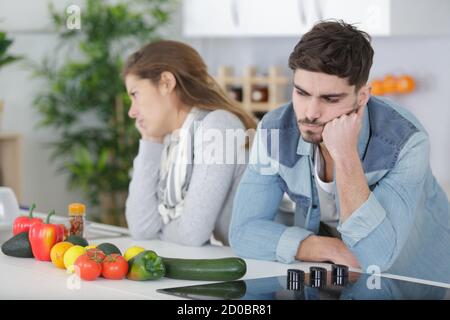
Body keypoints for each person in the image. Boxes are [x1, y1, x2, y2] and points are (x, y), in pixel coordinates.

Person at [229, 21, 450, 283]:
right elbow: (243, 231)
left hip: (418, 282)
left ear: (362, 97)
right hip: (339, 276)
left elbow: (374, 258)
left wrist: (345, 154)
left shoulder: (406, 141)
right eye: (301, 92)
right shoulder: (273, 130)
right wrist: (329, 247)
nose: (311, 112)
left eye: (330, 99)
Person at [124, 40, 256, 246]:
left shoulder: (218, 126)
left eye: (135, 94)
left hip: (270, 267)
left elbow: (191, 234)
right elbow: (142, 228)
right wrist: (151, 141)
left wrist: (161, 230)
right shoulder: (173, 141)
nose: (131, 111)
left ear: (166, 82)